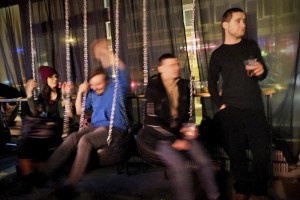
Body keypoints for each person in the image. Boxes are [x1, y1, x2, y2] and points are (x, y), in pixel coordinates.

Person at [44, 39, 129, 188]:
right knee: (72, 138)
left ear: (107, 80)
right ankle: (45, 173)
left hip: (113, 128)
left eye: (99, 84)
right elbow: (79, 111)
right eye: (93, 85)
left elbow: (122, 69)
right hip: (96, 127)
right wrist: (81, 92)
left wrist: (105, 52)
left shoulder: (116, 87)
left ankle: (72, 183)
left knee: (85, 140)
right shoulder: (92, 93)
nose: (96, 88)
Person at [208, 8, 270, 200]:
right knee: (236, 154)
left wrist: (262, 71)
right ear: (225, 25)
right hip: (231, 110)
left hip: (254, 107)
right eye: (238, 21)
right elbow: (211, 82)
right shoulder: (218, 54)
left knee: (261, 152)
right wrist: (220, 105)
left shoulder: (250, 46)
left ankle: (258, 191)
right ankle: (242, 189)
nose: (243, 24)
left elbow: (261, 74)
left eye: (244, 21)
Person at [140, 53, 219, 200]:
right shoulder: (153, 88)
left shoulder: (184, 86)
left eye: (176, 64)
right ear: (161, 69)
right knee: (180, 167)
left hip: (179, 132)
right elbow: (150, 122)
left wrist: (190, 127)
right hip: (159, 137)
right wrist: (173, 140)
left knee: (204, 161)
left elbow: (188, 114)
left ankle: (214, 196)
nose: (176, 68)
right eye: (171, 65)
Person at [17, 66, 72, 179]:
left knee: (33, 139)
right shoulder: (43, 96)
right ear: (45, 80)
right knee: (23, 141)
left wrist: (66, 97)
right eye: (51, 77)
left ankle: (38, 175)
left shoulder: (62, 93)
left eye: (56, 76)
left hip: (58, 127)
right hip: (44, 127)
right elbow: (36, 113)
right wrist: (29, 95)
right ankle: (29, 177)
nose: (55, 79)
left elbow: (67, 116)